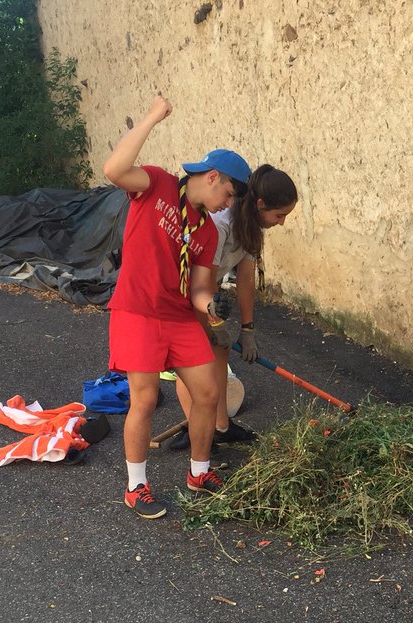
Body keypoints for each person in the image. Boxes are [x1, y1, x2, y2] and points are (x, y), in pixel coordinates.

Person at [102, 94, 251, 519]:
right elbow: (113, 170)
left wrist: (211, 305)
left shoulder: (207, 231)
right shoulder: (157, 184)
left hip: (178, 317)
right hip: (138, 311)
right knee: (145, 399)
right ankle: (136, 487)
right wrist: (152, 117)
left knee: (208, 391)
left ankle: (198, 473)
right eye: (229, 194)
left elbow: (199, 288)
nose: (228, 205)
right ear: (213, 177)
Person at [167, 165, 299, 451]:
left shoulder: (251, 225)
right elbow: (203, 278)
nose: (281, 222)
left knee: (220, 353)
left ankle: (221, 427)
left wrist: (247, 329)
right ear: (260, 204)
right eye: (279, 215)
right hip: (187, 292)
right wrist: (215, 325)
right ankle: (198, 433)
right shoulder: (221, 222)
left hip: (209, 292)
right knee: (195, 361)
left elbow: (246, 278)